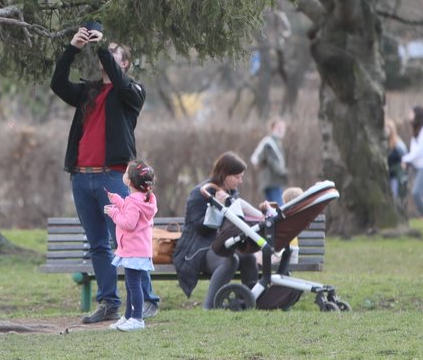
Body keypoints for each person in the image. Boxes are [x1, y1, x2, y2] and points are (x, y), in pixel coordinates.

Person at [50, 25, 159, 324]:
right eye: (106, 52)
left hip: (113, 177)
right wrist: (72, 48)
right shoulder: (89, 90)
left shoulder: (132, 92)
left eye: (114, 53)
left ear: (124, 63)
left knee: (128, 239)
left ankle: (148, 300)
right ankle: (109, 302)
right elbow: (57, 83)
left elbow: (123, 85)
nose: (107, 55)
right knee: (97, 243)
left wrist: (100, 48)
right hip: (82, 178)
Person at [172, 152, 271, 310]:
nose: (240, 181)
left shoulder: (231, 193)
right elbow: (200, 228)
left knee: (248, 257)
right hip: (197, 250)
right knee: (231, 261)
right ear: (225, 174)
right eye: (237, 177)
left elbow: (236, 224)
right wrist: (216, 207)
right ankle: (209, 307)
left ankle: (251, 301)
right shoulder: (200, 193)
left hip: (222, 245)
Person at [103, 160, 157, 332]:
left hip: (134, 250)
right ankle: (127, 316)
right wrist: (119, 201)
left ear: (130, 181)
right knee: (131, 283)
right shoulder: (143, 198)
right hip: (137, 250)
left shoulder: (134, 201)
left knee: (134, 285)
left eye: (126, 172)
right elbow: (131, 210)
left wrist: (114, 213)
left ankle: (137, 319)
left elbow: (128, 223)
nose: (123, 174)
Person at [250, 118, 289, 205]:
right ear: (273, 127)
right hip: (272, 181)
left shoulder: (275, 142)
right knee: (279, 207)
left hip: (271, 181)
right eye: (279, 127)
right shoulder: (269, 143)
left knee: (272, 208)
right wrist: (284, 173)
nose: (282, 129)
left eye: (283, 127)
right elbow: (273, 162)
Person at [384, 116, 408, 204]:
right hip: (386, 172)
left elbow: (404, 155)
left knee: (394, 193)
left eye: (388, 128)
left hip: (395, 173)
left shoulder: (398, 143)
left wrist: (404, 163)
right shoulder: (382, 142)